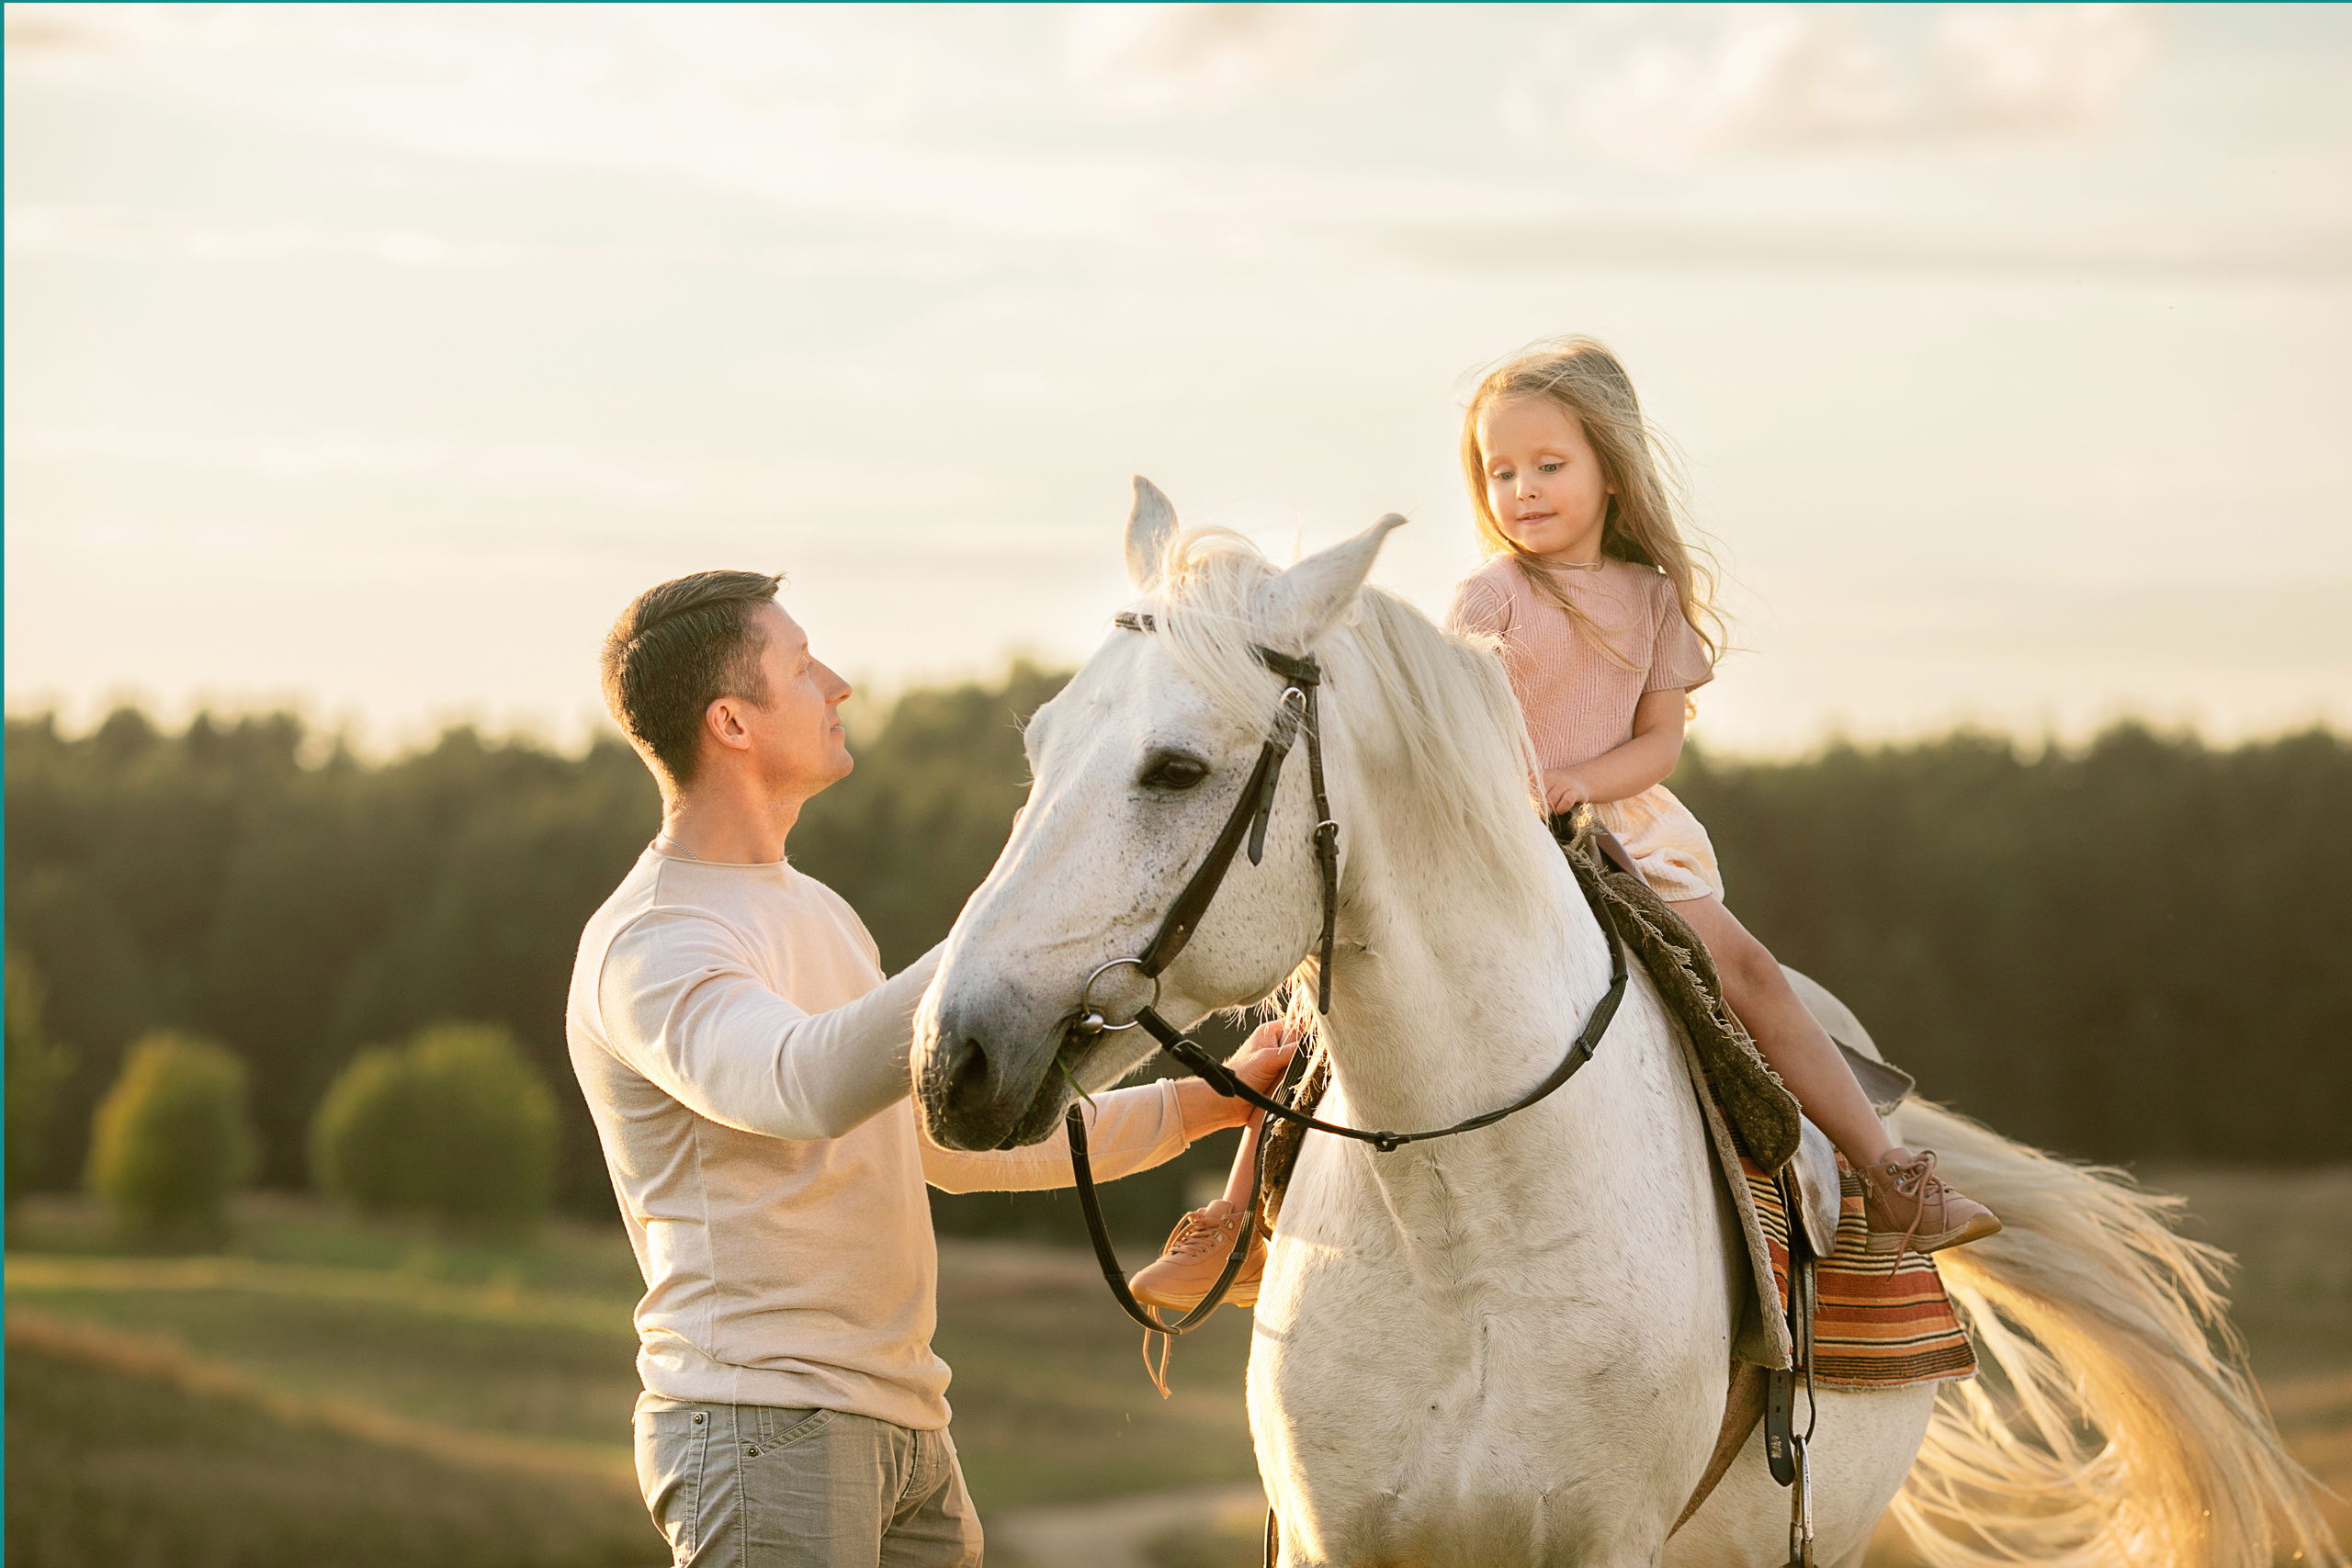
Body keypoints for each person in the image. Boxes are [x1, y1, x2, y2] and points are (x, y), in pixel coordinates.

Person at [1129, 338, 1996, 1313]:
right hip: (1489, 830)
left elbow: (1658, 742)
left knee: (1748, 971)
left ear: (1609, 472)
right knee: (1334, 1000)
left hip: (1620, 829)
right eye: (1500, 472)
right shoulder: (1491, 596)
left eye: (1549, 465)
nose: (1523, 490)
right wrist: (1515, 788)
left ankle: (1887, 1171)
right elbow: (1452, 727)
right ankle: (1239, 1220)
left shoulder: (1651, 600)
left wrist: (1579, 779)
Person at [568, 569, 1294, 1567]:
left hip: (908, 1427)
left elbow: (943, 1143)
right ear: (730, 722)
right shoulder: (654, 941)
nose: (837, 684)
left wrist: (1205, 1102)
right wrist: (1012, 926)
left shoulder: (819, 912)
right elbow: (803, 1086)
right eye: (800, 665)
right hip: (762, 1426)